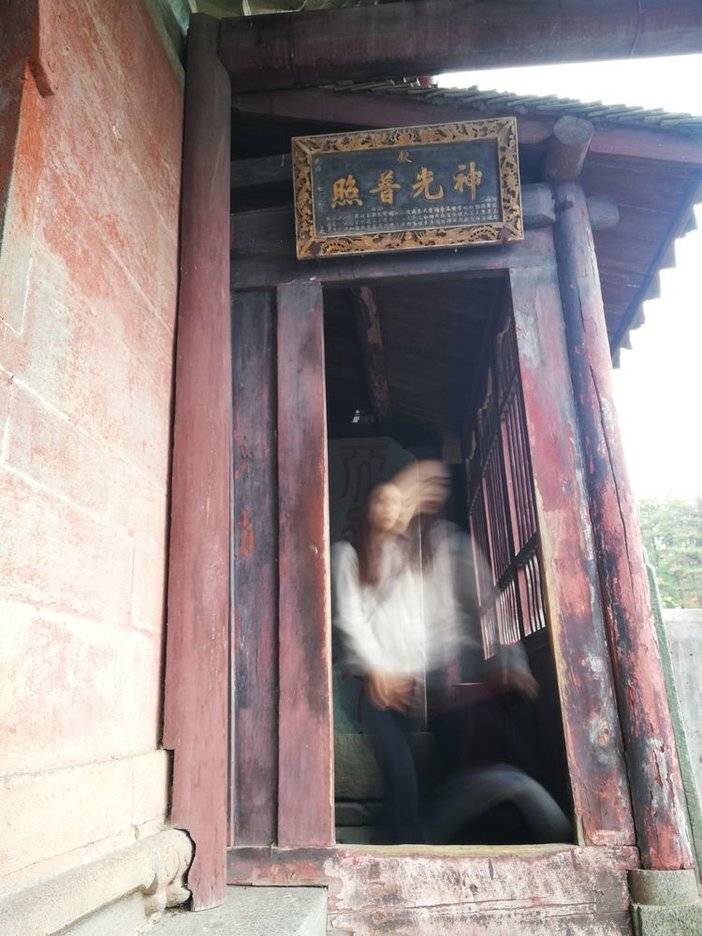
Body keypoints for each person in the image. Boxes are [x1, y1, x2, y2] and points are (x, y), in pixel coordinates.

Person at [331, 482, 426, 843]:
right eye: (382, 500)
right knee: (401, 769)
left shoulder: (404, 559)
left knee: (407, 768)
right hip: (365, 679)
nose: (391, 508)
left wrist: (412, 671)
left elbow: (414, 623)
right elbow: (350, 618)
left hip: (403, 679)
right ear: (368, 507)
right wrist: (377, 669)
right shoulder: (347, 554)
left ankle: (397, 836)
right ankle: (406, 843)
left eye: (398, 503)